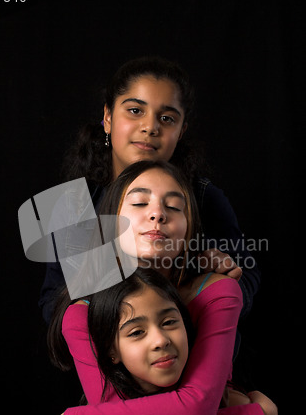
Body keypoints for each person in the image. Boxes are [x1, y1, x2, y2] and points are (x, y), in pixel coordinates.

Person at [22, 161, 277, 415]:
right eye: (140, 203)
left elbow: (196, 413)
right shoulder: (82, 314)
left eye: (173, 206)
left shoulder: (218, 292)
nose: (157, 214)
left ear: (189, 229)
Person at [38, 56, 260, 328]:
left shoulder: (204, 198)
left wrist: (214, 279)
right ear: (107, 118)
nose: (150, 127)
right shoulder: (72, 204)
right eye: (135, 111)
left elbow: (247, 277)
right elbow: (52, 303)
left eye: (167, 118)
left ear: (180, 132)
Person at [62, 268, 262, 415]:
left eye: (169, 322)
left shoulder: (232, 406)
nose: (160, 340)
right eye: (137, 332)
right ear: (112, 351)